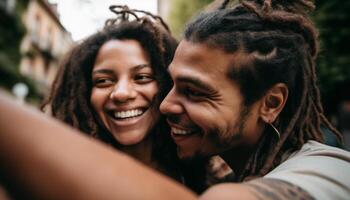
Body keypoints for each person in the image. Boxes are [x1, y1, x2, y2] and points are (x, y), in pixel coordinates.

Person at [0, 0, 350, 199]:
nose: (166, 104)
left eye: (194, 92)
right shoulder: (228, 171)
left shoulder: (331, 170)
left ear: (271, 104)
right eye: (173, 85)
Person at [40, 5, 182, 180]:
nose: (121, 93)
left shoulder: (203, 175)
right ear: (84, 93)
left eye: (142, 77)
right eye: (103, 81)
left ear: (169, 83)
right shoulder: (58, 177)